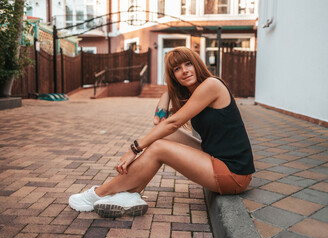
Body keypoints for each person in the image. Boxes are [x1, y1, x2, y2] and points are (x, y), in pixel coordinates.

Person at [68, 47, 255, 218]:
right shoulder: (192, 93)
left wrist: (135, 149)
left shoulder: (211, 85)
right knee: (162, 135)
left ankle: (99, 193)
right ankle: (131, 195)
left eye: (188, 64)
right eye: (177, 69)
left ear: (197, 64)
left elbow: (172, 123)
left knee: (159, 147)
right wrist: (168, 91)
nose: (185, 71)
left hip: (234, 174)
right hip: (216, 158)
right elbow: (159, 122)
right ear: (173, 75)